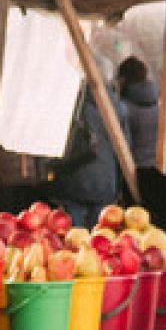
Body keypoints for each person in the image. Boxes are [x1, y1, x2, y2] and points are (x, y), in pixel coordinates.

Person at [47, 82, 120, 228]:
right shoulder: (118, 107)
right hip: (106, 177)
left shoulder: (69, 105)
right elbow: (124, 146)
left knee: (74, 231)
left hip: (75, 172)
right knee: (101, 230)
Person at [114, 57, 161, 172]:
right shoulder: (157, 105)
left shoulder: (124, 109)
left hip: (132, 172)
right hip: (155, 168)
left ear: (123, 80)